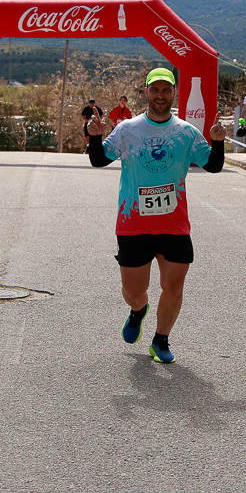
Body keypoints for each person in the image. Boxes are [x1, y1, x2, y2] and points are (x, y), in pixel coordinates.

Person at [87, 67, 227, 364]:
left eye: (166, 89)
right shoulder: (127, 129)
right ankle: (138, 310)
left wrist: (218, 142)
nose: (160, 95)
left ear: (174, 92)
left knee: (173, 286)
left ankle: (161, 340)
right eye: (155, 89)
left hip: (174, 224)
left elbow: (213, 166)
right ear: (146, 92)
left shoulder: (186, 132)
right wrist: (95, 138)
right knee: (133, 291)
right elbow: (99, 160)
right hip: (133, 223)